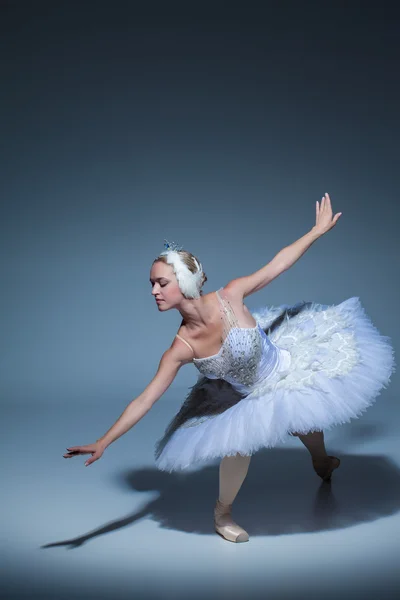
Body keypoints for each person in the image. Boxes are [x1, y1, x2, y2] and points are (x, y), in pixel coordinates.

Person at [64, 193, 395, 544]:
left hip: (284, 366)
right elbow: (144, 401)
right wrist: (104, 442)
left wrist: (315, 232)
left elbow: (278, 265)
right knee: (238, 445)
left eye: (162, 283)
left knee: (307, 422)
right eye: (151, 285)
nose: (154, 292)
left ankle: (322, 462)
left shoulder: (231, 295)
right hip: (243, 395)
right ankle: (222, 514)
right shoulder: (180, 349)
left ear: (185, 281)